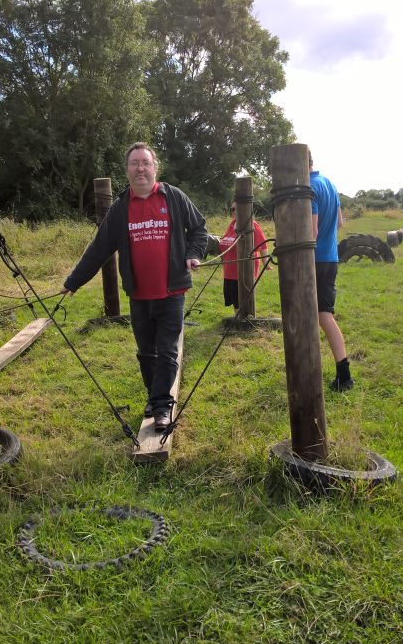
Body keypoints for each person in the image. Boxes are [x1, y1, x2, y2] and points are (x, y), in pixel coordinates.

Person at [61, 142, 208, 431]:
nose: (140, 168)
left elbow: (199, 229)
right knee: (146, 353)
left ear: (155, 167)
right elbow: (99, 249)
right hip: (138, 295)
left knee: (167, 351)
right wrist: (73, 282)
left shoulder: (174, 198)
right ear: (127, 169)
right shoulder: (119, 209)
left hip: (172, 292)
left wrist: (192, 255)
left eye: (145, 162)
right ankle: (154, 398)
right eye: (134, 163)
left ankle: (162, 406)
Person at [309, 151, 354, 391]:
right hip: (331, 257)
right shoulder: (329, 183)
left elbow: (311, 231)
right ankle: (342, 373)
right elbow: (339, 223)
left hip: (313, 260)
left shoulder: (308, 188)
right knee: (324, 315)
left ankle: (342, 376)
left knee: (318, 315)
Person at [219, 204, 270, 311]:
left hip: (243, 269)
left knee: (242, 298)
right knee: (233, 298)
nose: (233, 211)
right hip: (229, 268)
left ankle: (243, 321)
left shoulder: (252, 225)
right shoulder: (232, 224)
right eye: (232, 209)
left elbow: (262, 244)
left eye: (236, 209)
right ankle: (237, 320)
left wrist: (266, 262)